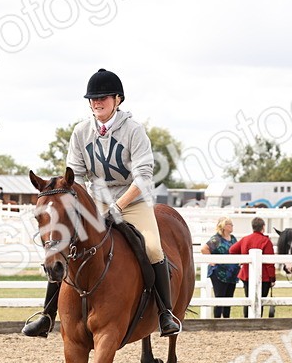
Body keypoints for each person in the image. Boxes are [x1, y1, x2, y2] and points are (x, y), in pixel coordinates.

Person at [22, 68, 182, 338]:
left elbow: (143, 176)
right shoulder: (81, 132)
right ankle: (48, 315)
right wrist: (85, 204)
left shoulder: (134, 130)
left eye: (103, 97)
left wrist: (119, 206)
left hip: (133, 201)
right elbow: (75, 176)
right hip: (95, 201)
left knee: (153, 247)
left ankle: (165, 313)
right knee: (64, 246)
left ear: (117, 99)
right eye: (93, 99)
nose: (97, 102)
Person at [229, 217, 276, 318]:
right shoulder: (266, 241)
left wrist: (242, 260)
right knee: (260, 300)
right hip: (264, 277)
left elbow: (232, 250)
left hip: (246, 274)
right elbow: (270, 263)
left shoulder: (246, 239)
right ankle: (258, 319)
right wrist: (272, 278)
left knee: (248, 298)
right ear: (263, 227)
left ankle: (246, 319)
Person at [201, 217, 239, 319]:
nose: (231, 226)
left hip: (232, 273)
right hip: (219, 272)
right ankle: (217, 319)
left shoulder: (233, 238)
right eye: (229, 224)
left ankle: (227, 318)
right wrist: (211, 260)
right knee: (219, 296)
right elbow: (204, 249)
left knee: (229, 297)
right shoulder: (216, 239)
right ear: (223, 226)